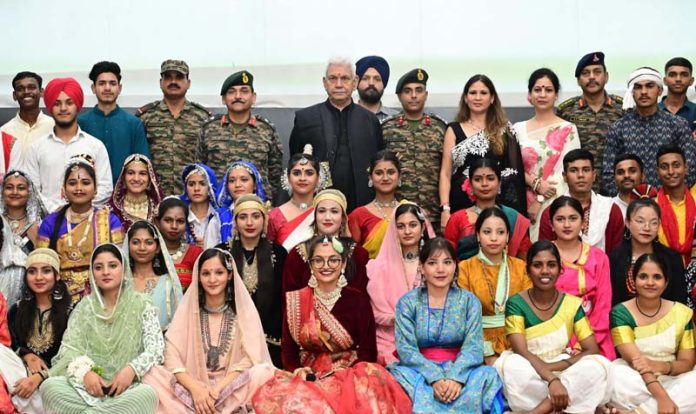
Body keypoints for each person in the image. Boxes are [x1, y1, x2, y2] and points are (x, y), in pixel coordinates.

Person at [252, 236, 412, 413]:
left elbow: (368, 351)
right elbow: (288, 349)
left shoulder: (358, 300)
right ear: (311, 265)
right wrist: (298, 370)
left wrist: (343, 377)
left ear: (343, 264)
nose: (326, 265)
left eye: (333, 260)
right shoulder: (296, 300)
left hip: (350, 374)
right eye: (318, 260)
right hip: (308, 374)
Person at [143, 248, 276, 413]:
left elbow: (251, 357)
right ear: (198, 277)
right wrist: (195, 389)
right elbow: (171, 354)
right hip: (193, 390)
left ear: (230, 275)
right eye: (206, 273)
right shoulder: (188, 311)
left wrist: (217, 388)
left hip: (230, 390)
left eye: (219, 273)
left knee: (264, 372)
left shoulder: (244, 312)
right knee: (152, 374)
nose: (212, 279)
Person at [40, 243, 164, 413]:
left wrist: (131, 370)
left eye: (112, 266)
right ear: (93, 274)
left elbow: (155, 348)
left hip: (125, 389)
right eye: (99, 267)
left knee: (146, 395)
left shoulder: (142, 304)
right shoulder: (85, 306)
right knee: (50, 387)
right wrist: (85, 373)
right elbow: (69, 349)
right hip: (87, 388)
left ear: (124, 269)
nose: (106, 272)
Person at [388, 237, 505, 413]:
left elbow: (473, 346)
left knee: (487, 375)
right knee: (395, 378)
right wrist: (434, 378)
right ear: (422, 267)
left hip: (460, 368)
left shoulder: (469, 301)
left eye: (447, 262)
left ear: (455, 266)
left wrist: (456, 378)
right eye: (433, 263)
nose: (440, 269)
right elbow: (406, 349)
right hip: (419, 371)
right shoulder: (408, 302)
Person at [494, 240, 612, 413]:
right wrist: (552, 380)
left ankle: (542, 409)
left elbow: (591, 349)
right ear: (528, 270)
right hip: (529, 366)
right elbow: (521, 351)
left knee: (601, 365)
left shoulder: (572, 304)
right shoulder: (516, 303)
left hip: (562, 366)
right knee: (506, 364)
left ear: (560, 270)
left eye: (551, 265)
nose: (544, 271)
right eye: (537, 265)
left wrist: (555, 369)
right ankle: (568, 404)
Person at [289, 57, 383, 212]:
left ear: (355, 82)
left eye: (345, 78)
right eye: (333, 78)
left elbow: (378, 165)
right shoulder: (305, 119)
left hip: (362, 207)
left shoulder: (370, 121)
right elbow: (296, 161)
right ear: (325, 83)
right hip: (317, 208)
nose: (339, 84)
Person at [609, 253, 696, 413]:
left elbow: (687, 362)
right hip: (636, 377)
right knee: (614, 374)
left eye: (657, 277)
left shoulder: (682, 313)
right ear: (633, 280)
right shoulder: (620, 313)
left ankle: (637, 412)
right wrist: (662, 397)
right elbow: (635, 360)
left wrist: (661, 367)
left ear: (666, 282)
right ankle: (666, 407)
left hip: (673, 375)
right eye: (643, 276)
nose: (650, 283)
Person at [439, 74, 527, 227]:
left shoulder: (505, 130)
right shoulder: (453, 130)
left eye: (483, 93)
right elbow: (445, 174)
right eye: (473, 93)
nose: (477, 97)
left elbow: (515, 173)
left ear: (492, 98)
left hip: (499, 210)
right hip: (461, 206)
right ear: (465, 98)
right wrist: (445, 209)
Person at [37, 157, 124, 302]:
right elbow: (41, 265)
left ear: (95, 189)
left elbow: (119, 264)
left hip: (101, 296)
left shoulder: (109, 221)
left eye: (85, 183)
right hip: (59, 298)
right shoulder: (50, 223)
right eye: (72, 183)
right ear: (64, 189)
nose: (79, 188)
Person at [217, 194, 287, 367]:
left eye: (256, 216)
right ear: (235, 222)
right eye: (243, 217)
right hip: (230, 339)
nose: (249, 223)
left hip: (269, 341)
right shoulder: (221, 253)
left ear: (264, 220)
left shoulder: (279, 254)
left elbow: (283, 300)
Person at [602, 67, 696, 194]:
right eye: (638, 87)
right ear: (632, 92)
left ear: (660, 90)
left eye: (650, 86)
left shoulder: (678, 125)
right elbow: (609, 175)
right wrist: (630, 202)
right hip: (629, 207)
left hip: (670, 204)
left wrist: (669, 200)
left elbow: (690, 169)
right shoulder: (618, 128)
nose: (644, 92)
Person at [24, 77, 113, 212]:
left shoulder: (95, 146)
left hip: (88, 221)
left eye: (69, 102)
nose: (63, 108)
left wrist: (79, 207)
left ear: (77, 105)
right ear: (50, 107)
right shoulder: (37, 148)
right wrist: (56, 210)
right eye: (57, 103)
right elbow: (31, 189)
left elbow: (105, 188)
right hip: (48, 220)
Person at [0, 249, 71, 413]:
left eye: (46, 271)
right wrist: (26, 354)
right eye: (32, 271)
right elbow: (9, 346)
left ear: (57, 275)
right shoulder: (16, 310)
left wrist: (41, 377)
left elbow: (71, 355)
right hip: (21, 380)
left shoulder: (71, 311)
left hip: (57, 381)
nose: (39, 277)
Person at [457, 208, 531, 364]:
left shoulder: (520, 267)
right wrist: (486, 352)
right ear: (477, 236)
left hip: (518, 340)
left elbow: (529, 311)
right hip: (478, 343)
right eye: (487, 232)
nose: (494, 238)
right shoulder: (465, 268)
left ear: (508, 236)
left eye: (500, 232)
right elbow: (464, 316)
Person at [545, 196, 615, 359]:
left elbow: (603, 306)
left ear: (583, 223)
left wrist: (583, 343)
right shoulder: (544, 257)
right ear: (551, 225)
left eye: (573, 218)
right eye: (560, 219)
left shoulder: (599, 258)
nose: (567, 225)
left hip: (594, 335)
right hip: (552, 334)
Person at [366, 202, 434, 365]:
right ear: (393, 230)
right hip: (388, 340)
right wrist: (396, 319)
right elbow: (371, 313)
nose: (407, 231)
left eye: (413, 225)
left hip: (429, 337)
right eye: (401, 226)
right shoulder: (377, 267)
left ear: (423, 228)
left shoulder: (435, 264)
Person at [515, 68, 580, 240]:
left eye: (548, 90)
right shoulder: (517, 129)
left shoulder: (568, 129)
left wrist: (540, 199)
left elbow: (567, 172)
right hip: (520, 201)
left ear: (556, 95)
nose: (542, 94)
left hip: (554, 202)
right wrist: (535, 183)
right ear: (530, 95)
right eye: (537, 89)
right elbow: (512, 167)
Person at [199, 70, 283, 201]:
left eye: (244, 91)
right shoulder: (209, 128)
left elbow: (275, 174)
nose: (238, 96)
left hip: (255, 208)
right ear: (223, 98)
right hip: (217, 208)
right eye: (231, 92)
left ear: (253, 97)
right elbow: (201, 169)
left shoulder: (266, 130)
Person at [382, 68, 447, 230]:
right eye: (407, 91)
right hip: (399, 215)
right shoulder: (386, 129)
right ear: (399, 96)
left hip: (434, 215)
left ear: (426, 94)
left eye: (419, 90)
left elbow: (447, 171)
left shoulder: (440, 128)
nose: (413, 96)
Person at [137, 59, 212, 195]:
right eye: (168, 78)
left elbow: (208, 159)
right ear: (161, 83)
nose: (173, 82)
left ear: (188, 83)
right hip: (153, 195)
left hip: (191, 195)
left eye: (179, 77)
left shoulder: (203, 117)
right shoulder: (146, 116)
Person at [557, 52, 624, 192]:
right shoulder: (566, 111)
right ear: (578, 80)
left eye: (597, 72)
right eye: (586, 73)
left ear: (606, 77)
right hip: (579, 188)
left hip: (616, 186)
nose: (592, 77)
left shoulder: (622, 109)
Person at [282, 190, 369, 295]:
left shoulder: (358, 254)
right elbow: (290, 297)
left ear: (343, 218)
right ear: (314, 216)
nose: (327, 217)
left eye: (334, 211)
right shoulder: (297, 254)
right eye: (322, 211)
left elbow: (361, 297)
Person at [78, 61, 151, 185]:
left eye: (112, 83)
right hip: (88, 196)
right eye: (102, 83)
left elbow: (143, 165)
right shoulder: (81, 123)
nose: (107, 88)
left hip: (126, 195)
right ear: (93, 88)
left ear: (119, 88)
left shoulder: (133, 124)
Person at [538, 149, 624, 253]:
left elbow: (617, 255)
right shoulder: (551, 213)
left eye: (586, 170)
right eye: (574, 170)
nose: (580, 175)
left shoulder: (610, 209)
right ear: (564, 177)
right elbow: (544, 255)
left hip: (604, 268)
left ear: (594, 175)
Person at [444, 158, 531, 261]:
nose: (484, 184)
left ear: (499, 184)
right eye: (477, 179)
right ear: (470, 185)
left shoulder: (514, 218)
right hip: (466, 276)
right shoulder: (457, 219)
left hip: (508, 275)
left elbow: (526, 261)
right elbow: (448, 258)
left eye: (490, 178)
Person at [609, 198, 688, 307]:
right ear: (627, 223)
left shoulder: (672, 258)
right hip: (625, 321)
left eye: (653, 223)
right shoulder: (614, 259)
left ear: (659, 225)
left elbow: (680, 301)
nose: (647, 228)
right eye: (640, 221)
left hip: (666, 320)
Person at [125, 220, 183, 331]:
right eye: (136, 242)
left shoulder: (168, 284)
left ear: (157, 248)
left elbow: (179, 325)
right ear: (128, 246)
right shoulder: (121, 283)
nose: (142, 248)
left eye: (149, 242)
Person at [0, 170, 46, 306]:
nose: (15, 192)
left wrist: (37, 242)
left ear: (29, 192)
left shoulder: (39, 226)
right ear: (2, 192)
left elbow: (46, 262)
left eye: (21, 188)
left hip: (29, 294)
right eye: (9, 187)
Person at [267, 145, 326, 250]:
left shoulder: (328, 212)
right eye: (296, 173)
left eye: (309, 173)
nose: (302, 178)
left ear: (318, 178)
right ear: (288, 178)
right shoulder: (274, 216)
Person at [348, 150, 401, 259]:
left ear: (399, 177)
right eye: (379, 173)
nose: (385, 178)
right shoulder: (358, 215)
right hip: (369, 274)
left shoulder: (408, 211)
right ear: (370, 178)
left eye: (391, 172)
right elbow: (353, 258)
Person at [205, 160, 267, 249]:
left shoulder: (267, 214)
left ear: (255, 185)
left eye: (244, 180)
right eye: (232, 181)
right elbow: (209, 253)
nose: (237, 185)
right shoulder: (219, 217)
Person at [2, 71, 54, 172]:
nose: (26, 91)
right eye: (20, 89)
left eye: (31, 87)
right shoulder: (4, 132)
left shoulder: (55, 127)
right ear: (14, 95)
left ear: (41, 92)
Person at [654, 144, 696, 265]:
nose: (671, 172)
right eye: (664, 167)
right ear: (657, 172)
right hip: (663, 272)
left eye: (676, 165)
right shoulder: (652, 207)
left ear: (686, 168)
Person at [154, 197, 203, 291]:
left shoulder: (195, 254)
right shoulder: (149, 252)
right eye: (168, 220)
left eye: (180, 221)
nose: (174, 226)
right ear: (158, 222)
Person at [107, 153, 164, 231]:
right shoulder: (111, 210)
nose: (136, 178)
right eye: (130, 173)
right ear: (123, 177)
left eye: (142, 173)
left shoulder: (160, 209)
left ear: (150, 178)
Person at [178, 163, 219, 248]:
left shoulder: (219, 216)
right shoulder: (179, 214)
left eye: (202, 184)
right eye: (191, 184)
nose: (196, 189)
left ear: (210, 187)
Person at [355, 55, 398, 122]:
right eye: (365, 78)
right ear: (356, 83)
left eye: (377, 79)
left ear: (384, 84)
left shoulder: (396, 118)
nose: (371, 83)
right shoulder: (345, 118)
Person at [659, 57, 696, 134]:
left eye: (684, 75)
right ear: (665, 81)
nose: (678, 79)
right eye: (672, 75)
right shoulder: (651, 111)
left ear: (691, 81)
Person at [612, 153, 645, 218]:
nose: (626, 175)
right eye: (620, 172)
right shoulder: (608, 208)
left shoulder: (654, 205)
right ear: (614, 179)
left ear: (642, 176)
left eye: (632, 171)